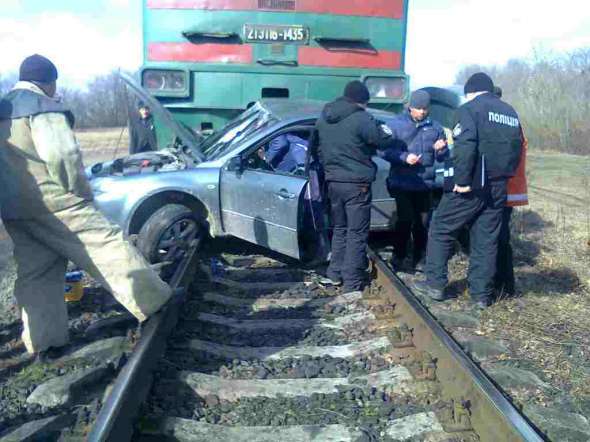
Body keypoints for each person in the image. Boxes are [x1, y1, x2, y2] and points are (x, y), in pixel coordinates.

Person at [0, 55, 172, 356]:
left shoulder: (5, 107)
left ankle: (45, 343)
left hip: (14, 208)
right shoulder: (40, 106)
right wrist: (79, 192)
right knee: (107, 246)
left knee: (37, 274)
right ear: (50, 81)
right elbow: (62, 155)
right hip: (57, 203)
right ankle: (156, 302)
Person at [412, 73, 523, 308]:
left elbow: (466, 146)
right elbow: (516, 148)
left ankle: (435, 284)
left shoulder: (469, 109)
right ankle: (481, 296)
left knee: (441, 227)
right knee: (486, 239)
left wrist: (462, 180)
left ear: (470, 91)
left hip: (472, 184)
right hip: (499, 185)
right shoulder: (510, 112)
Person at [313, 80, 396, 294]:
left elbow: (315, 148)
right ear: (362, 101)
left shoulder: (324, 117)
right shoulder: (362, 119)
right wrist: (383, 127)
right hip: (357, 184)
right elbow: (384, 139)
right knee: (357, 232)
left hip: (333, 182)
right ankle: (352, 283)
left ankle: (335, 274)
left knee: (339, 229)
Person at [381, 90, 448, 272]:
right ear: (410, 107)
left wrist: (441, 150)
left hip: (425, 184)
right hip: (401, 181)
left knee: (423, 223)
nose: (422, 112)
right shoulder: (395, 125)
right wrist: (403, 157)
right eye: (418, 108)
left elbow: (442, 157)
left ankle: (420, 258)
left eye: (425, 109)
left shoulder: (436, 127)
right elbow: (383, 151)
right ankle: (398, 256)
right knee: (405, 219)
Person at [492, 86, 529, 297]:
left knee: (498, 238)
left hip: (501, 189)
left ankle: (503, 286)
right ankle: (506, 285)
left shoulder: (500, 121)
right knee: (501, 237)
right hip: (509, 190)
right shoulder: (511, 118)